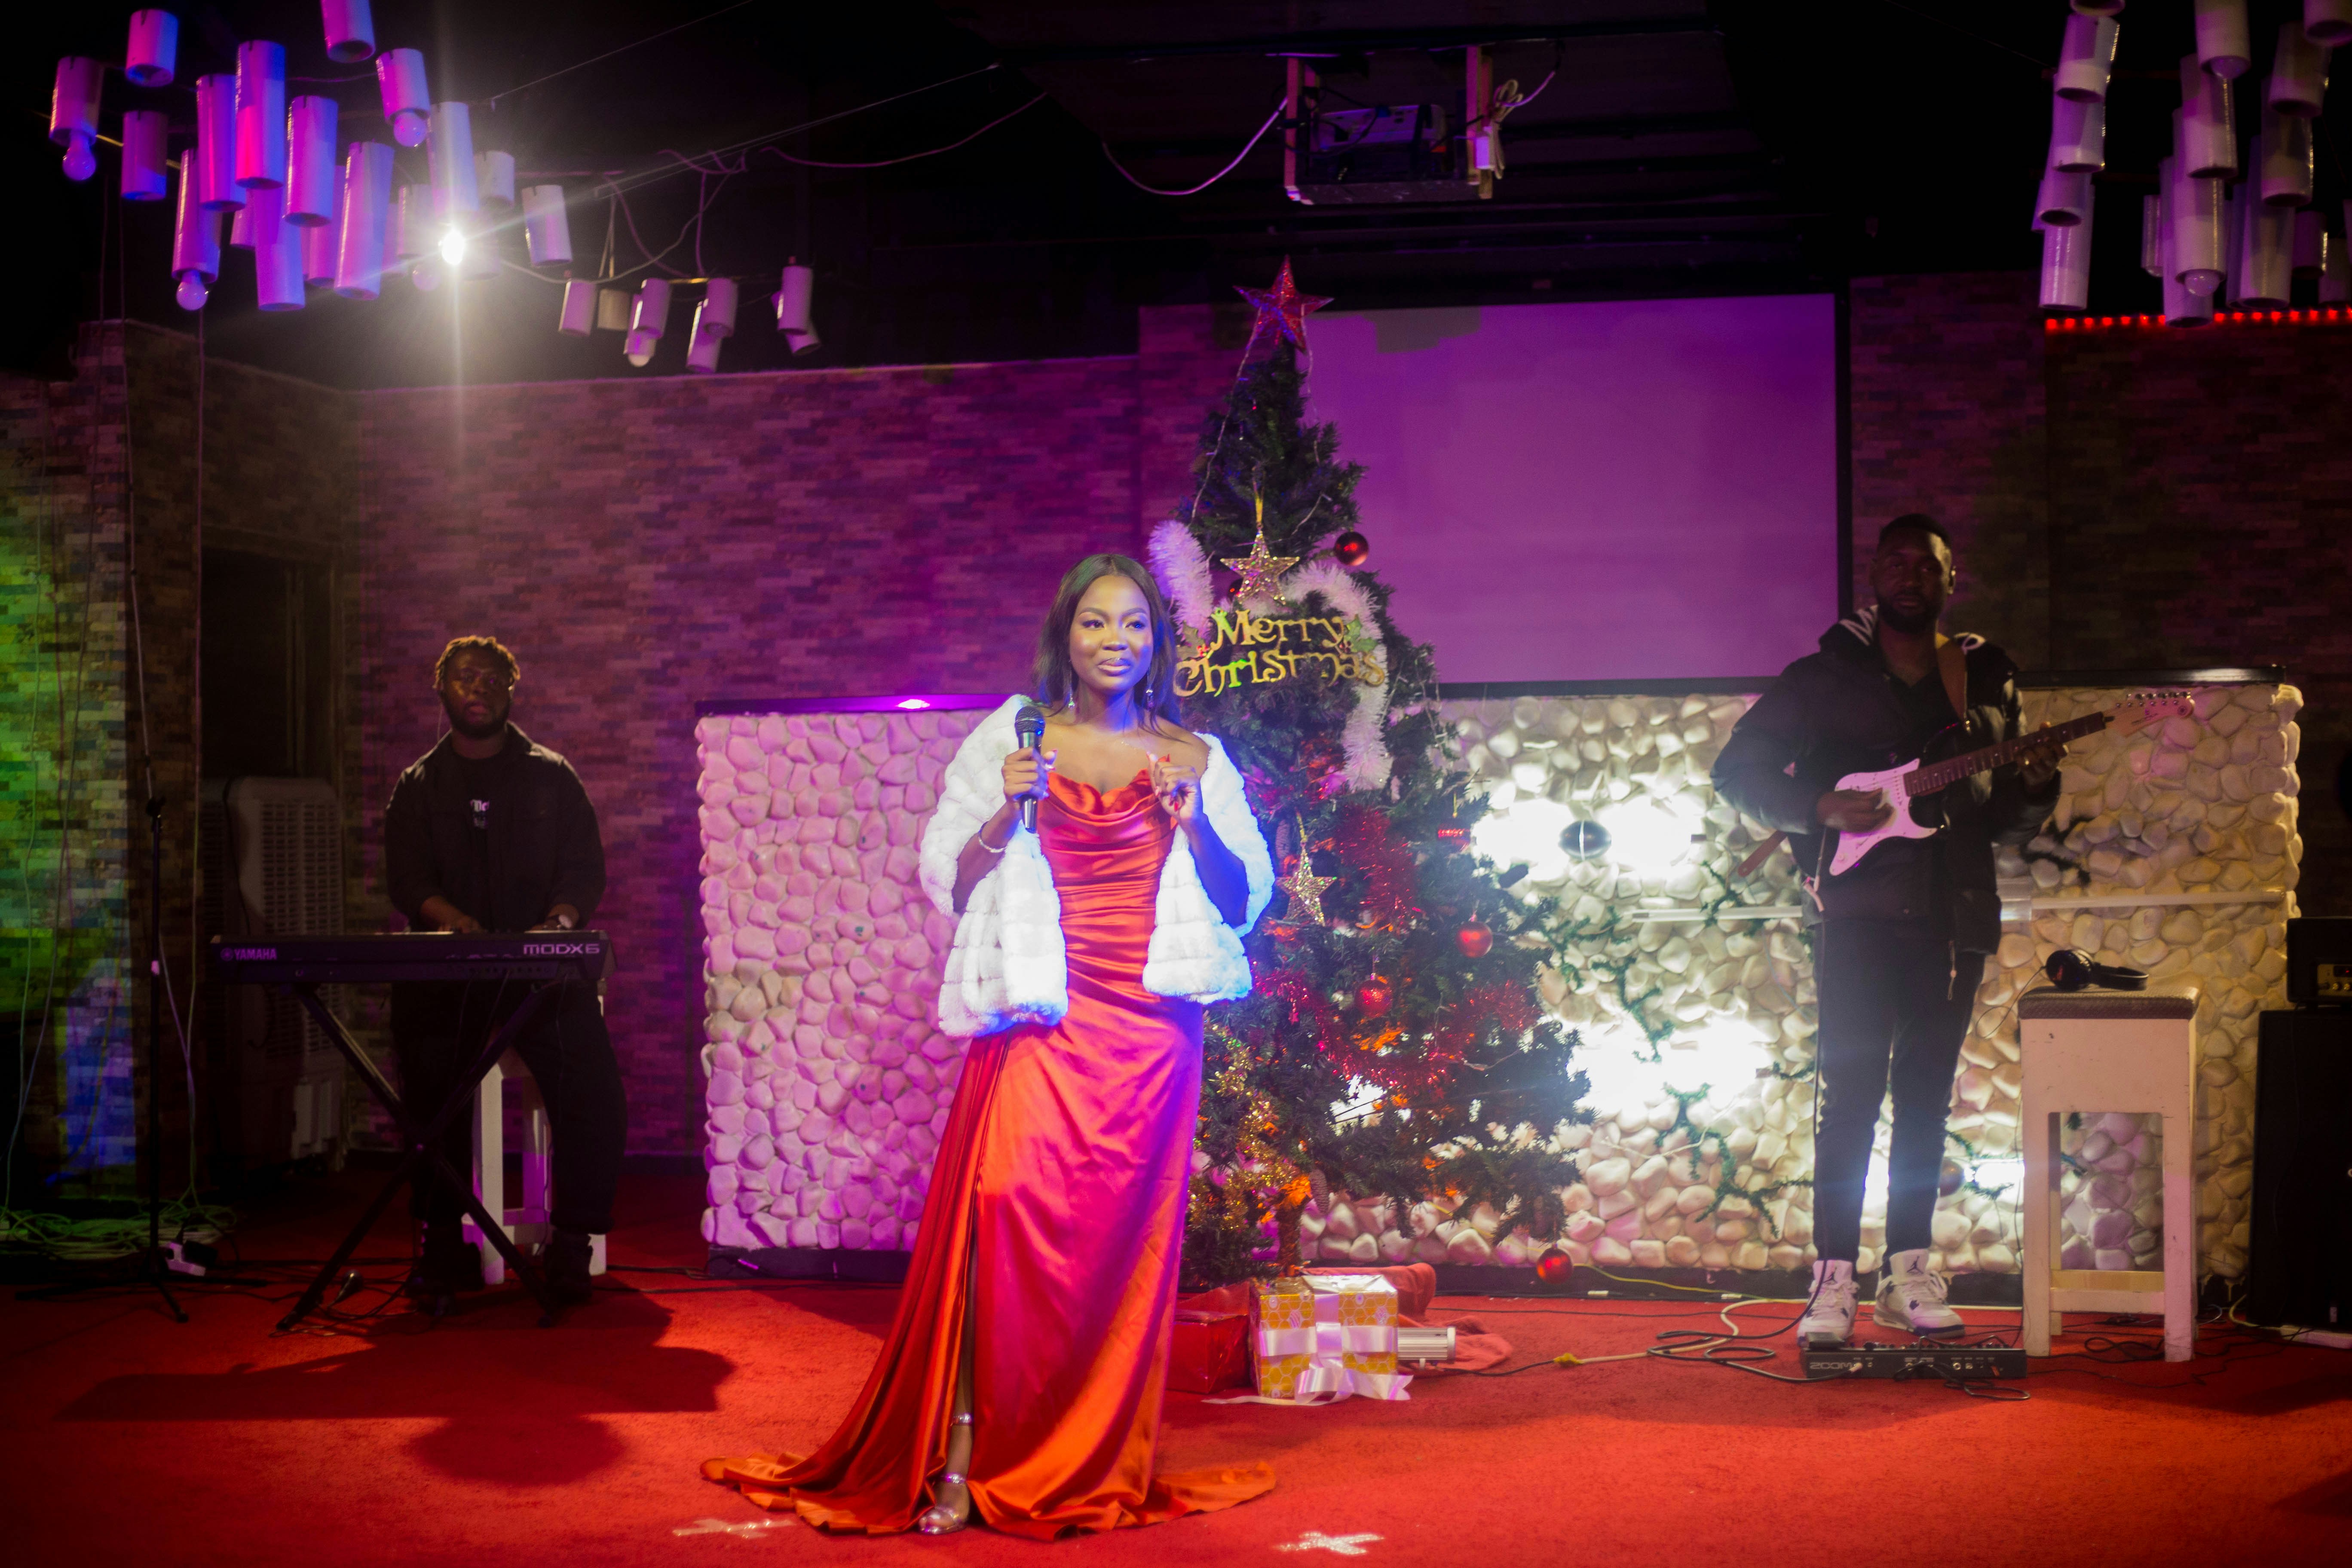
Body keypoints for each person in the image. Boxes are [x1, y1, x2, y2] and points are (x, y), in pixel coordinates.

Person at [703, 554, 1277, 1537]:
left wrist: (1192, 821)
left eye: (1135, 625)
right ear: (1066, 635)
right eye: (1097, 624)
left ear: (1158, 639)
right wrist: (1005, 813)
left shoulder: (1194, 754)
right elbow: (952, 883)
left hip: (1149, 1030)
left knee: (1117, 1250)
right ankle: (962, 1453)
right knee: (1004, 1211)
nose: (1117, 642)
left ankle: (1088, 1448)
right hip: (1041, 1010)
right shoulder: (1013, 737)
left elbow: (1241, 902)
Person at [1712, 516, 2059, 1347]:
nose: (1911, 575)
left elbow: (2004, 811)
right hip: (1859, 916)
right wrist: (1816, 805)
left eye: (1928, 564)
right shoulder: (1825, 674)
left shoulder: (1984, 673)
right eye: (1896, 561)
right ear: (1874, 573)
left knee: (1928, 1101)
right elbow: (1738, 771)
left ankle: (1908, 1270)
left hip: (1953, 914)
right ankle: (1833, 1277)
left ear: (1950, 578)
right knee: (1852, 1100)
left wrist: (2038, 786)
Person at [383, 635, 628, 1311]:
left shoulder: (552, 775)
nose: (479, 688)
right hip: (448, 973)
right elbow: (406, 880)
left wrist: (558, 921)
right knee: (431, 1092)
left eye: (492, 678)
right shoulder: (419, 785)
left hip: (542, 971)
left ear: (511, 689)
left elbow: (584, 870)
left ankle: (572, 1241)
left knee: (592, 1088)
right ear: (443, 690)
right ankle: (441, 1243)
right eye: (465, 677)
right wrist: (453, 922)